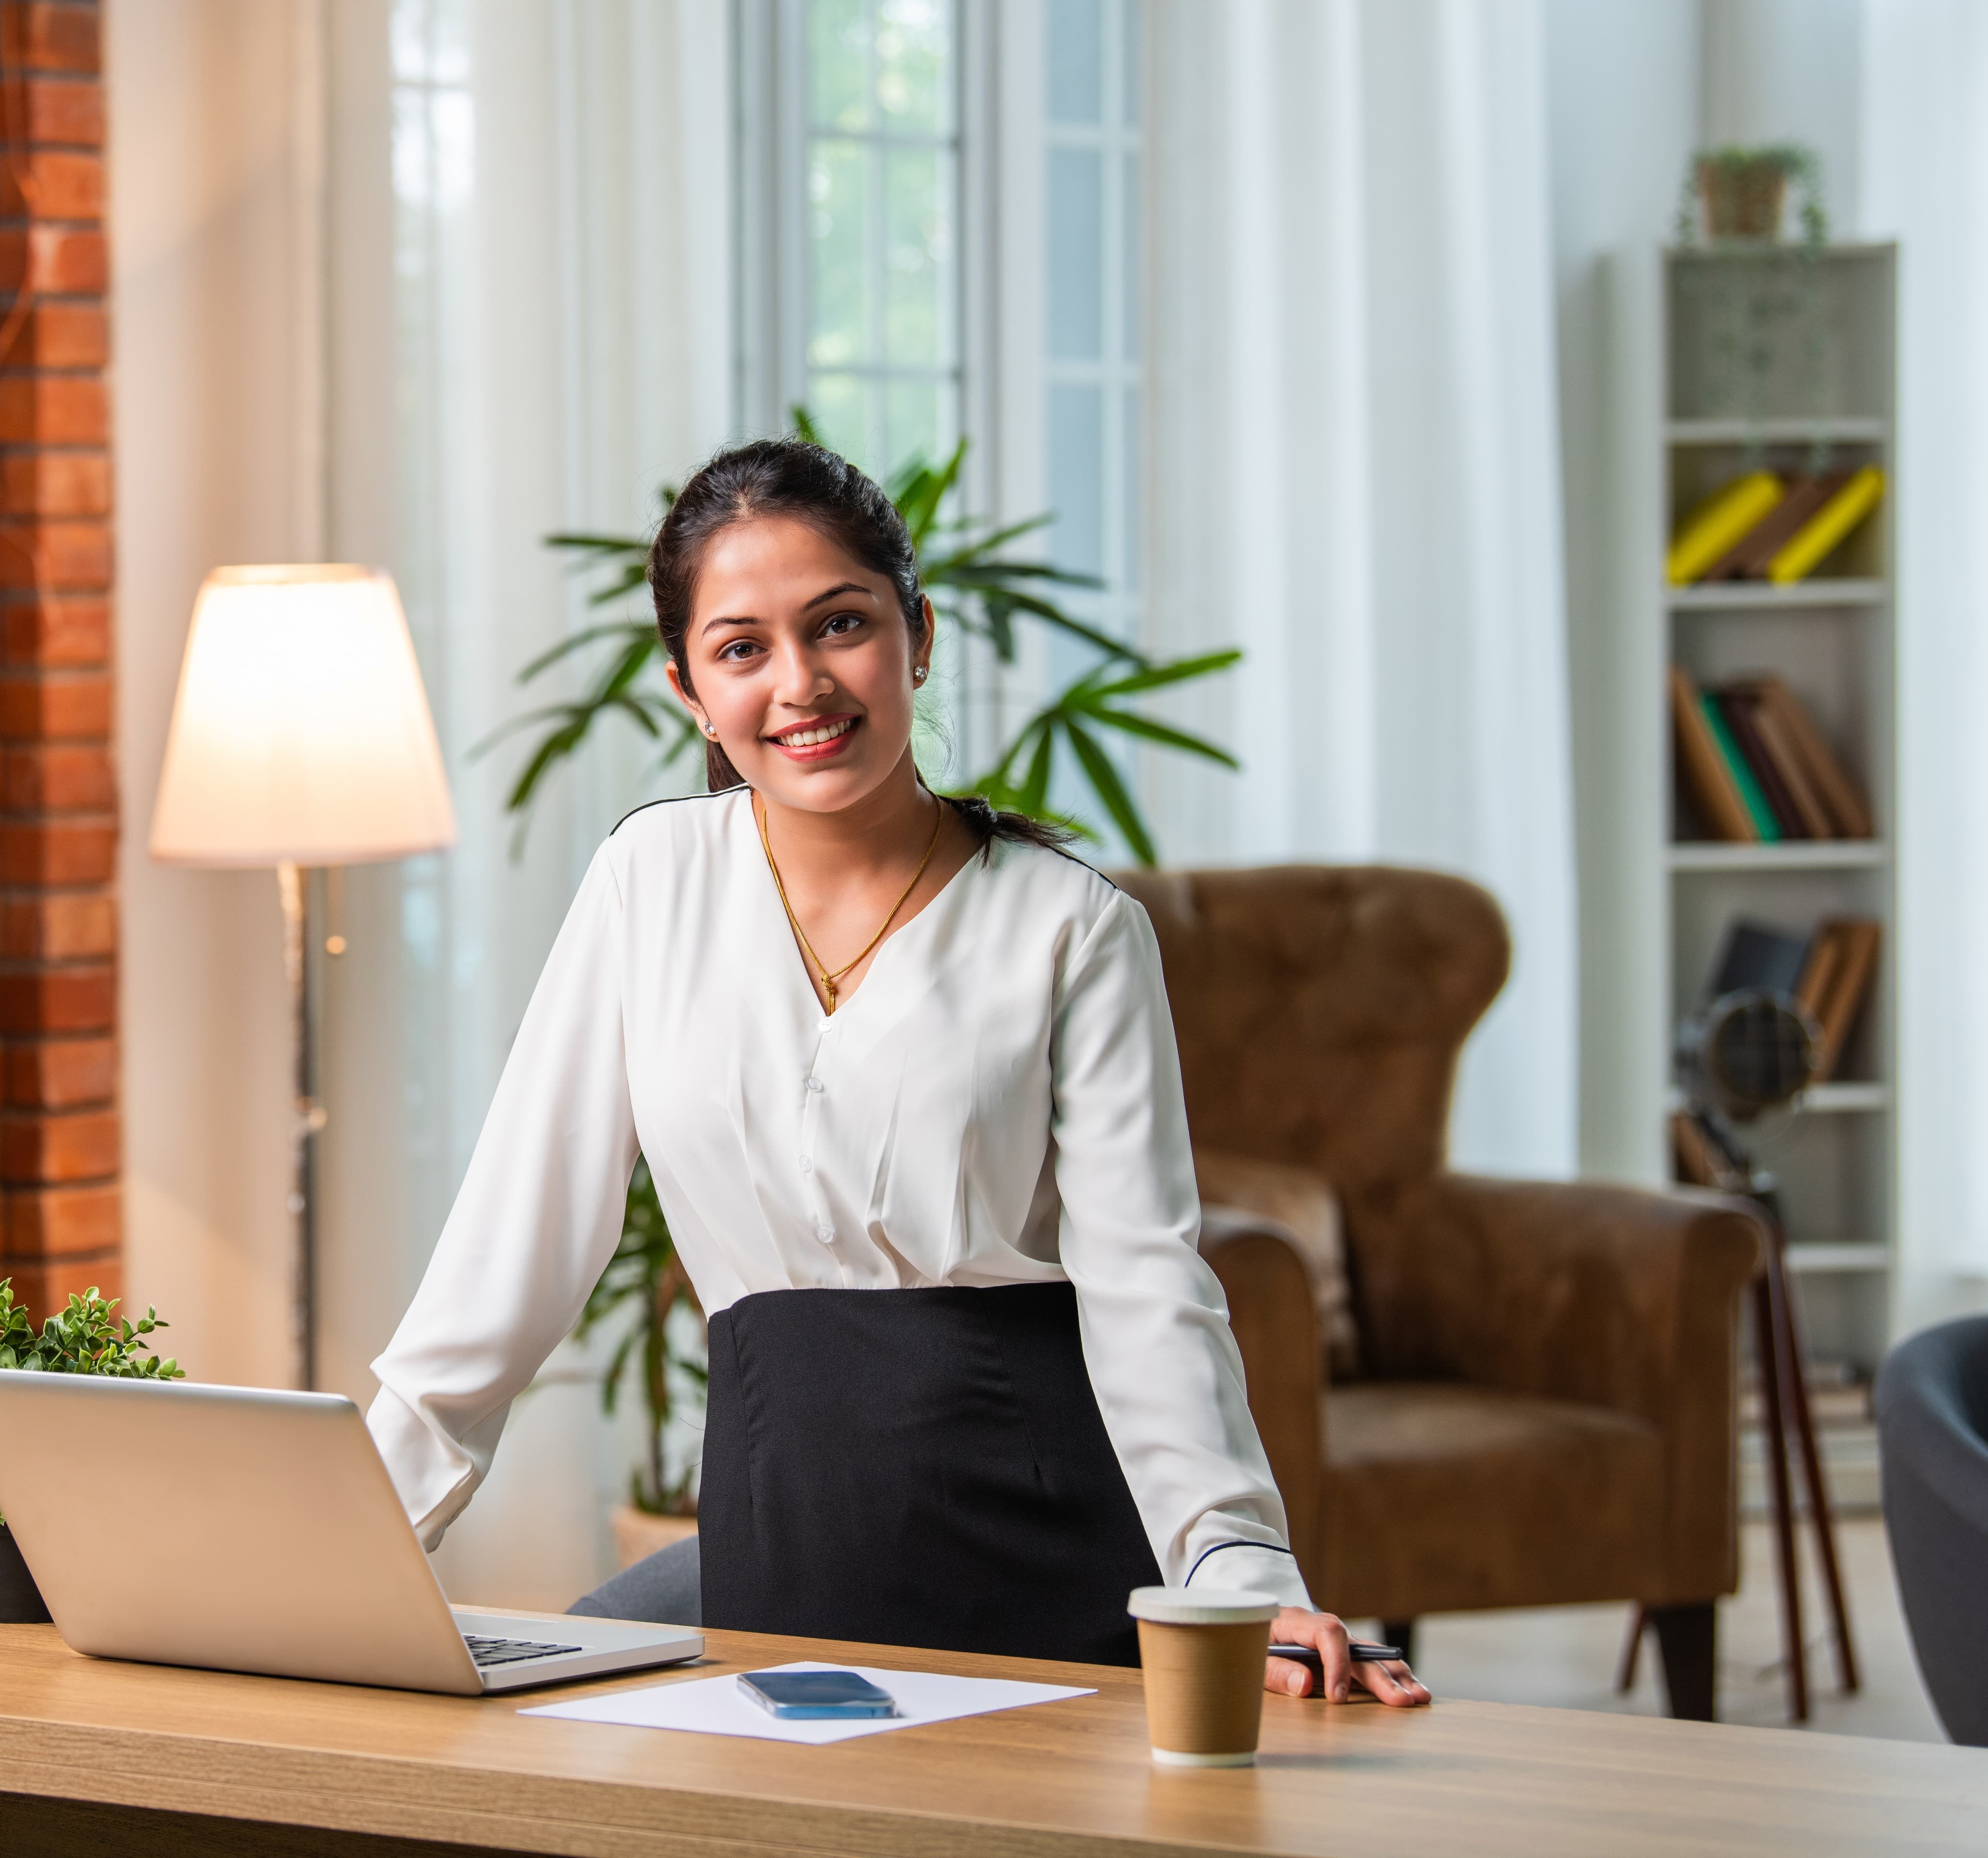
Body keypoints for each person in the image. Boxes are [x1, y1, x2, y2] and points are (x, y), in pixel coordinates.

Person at [365, 438, 1428, 1706]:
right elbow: (505, 1263)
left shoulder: (1072, 927)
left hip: (1037, 1541)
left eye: (842, 625)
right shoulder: (646, 886)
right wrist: (353, 1547)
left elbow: (1148, 1285)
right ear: (689, 691)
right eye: (743, 648)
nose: (803, 683)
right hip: (781, 1541)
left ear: (916, 635)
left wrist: (1239, 1566)